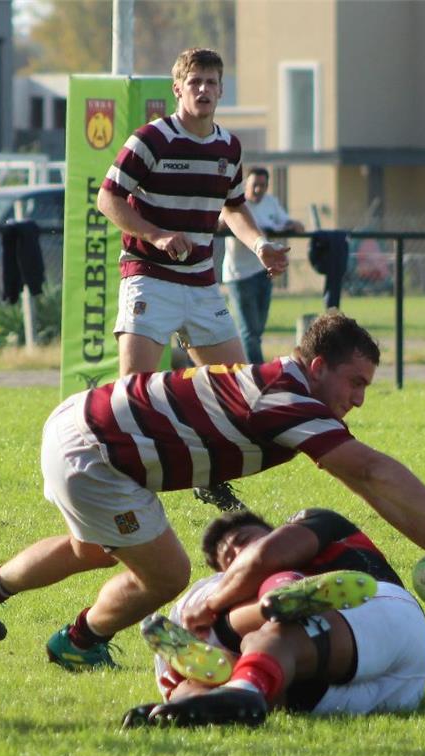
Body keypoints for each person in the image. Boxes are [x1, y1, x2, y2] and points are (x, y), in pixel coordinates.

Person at [0, 312, 425, 673]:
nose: (359, 399)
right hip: (96, 452)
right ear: (319, 367)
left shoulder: (290, 391)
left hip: (84, 426)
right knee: (168, 576)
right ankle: (79, 641)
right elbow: (372, 470)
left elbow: (366, 483)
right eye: (355, 383)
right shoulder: (286, 398)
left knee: (92, 549)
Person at [96, 47, 290, 513]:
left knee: (237, 389)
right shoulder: (151, 139)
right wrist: (156, 235)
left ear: (222, 90)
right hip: (149, 278)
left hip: (202, 285)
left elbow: (235, 207)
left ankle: (209, 477)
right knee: (135, 389)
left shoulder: (229, 147)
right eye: (195, 82)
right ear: (177, 88)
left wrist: (260, 244)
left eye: (212, 83)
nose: (204, 90)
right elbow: (108, 198)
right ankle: (121, 482)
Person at [123, 507, 425, 727]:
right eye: (228, 559)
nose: (237, 553)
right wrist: (180, 691)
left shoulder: (317, 524)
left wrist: (216, 604)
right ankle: (194, 705)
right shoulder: (212, 586)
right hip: (332, 695)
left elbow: (264, 557)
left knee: (266, 618)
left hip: (372, 606)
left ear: (275, 530)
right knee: (260, 642)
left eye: (244, 539)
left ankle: (275, 603)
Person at [221, 167, 304, 365]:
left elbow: (295, 225)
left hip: (264, 272)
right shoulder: (237, 204)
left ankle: (245, 368)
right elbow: (220, 224)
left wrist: (287, 227)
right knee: (248, 331)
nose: (259, 189)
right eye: (254, 185)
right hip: (239, 275)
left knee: (257, 330)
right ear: (246, 185)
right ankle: (256, 373)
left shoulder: (271, 203)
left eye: (263, 185)